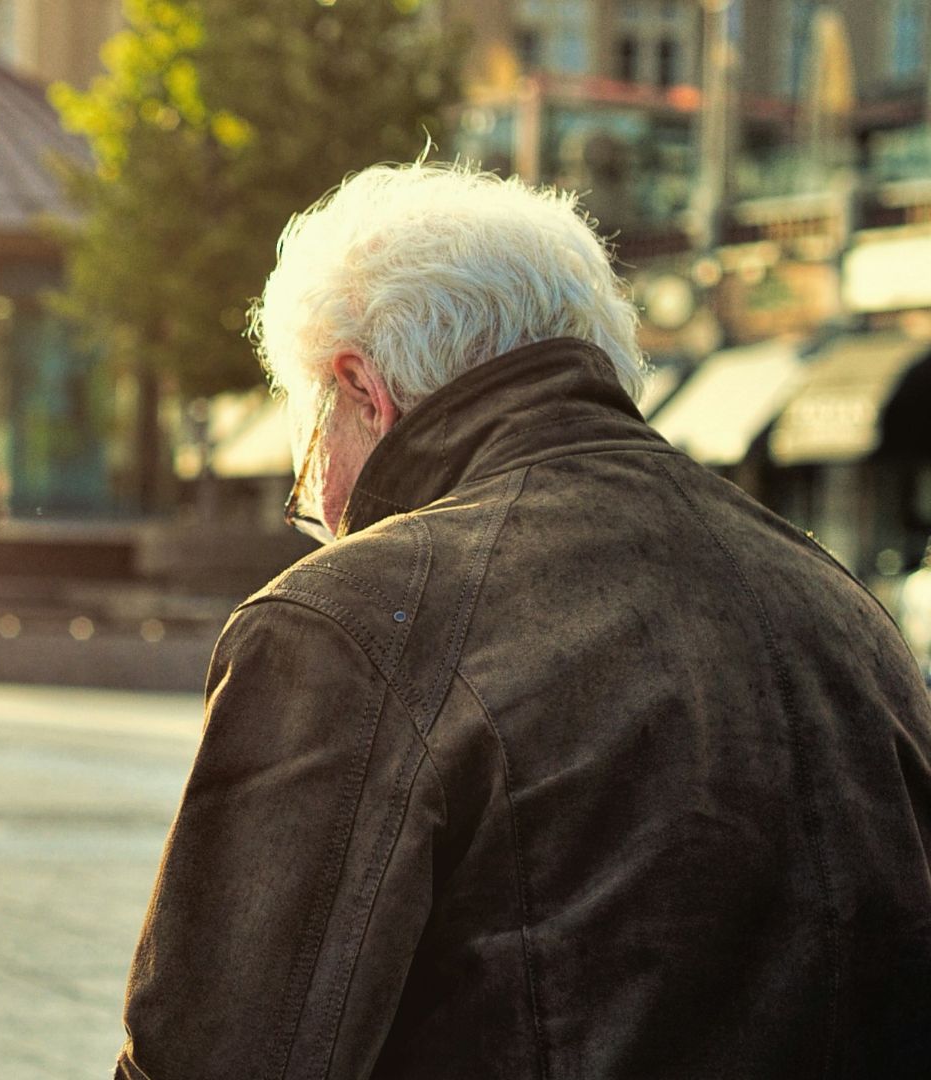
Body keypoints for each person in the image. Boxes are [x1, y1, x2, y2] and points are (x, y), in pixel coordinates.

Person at [117, 162, 931, 1078]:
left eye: (309, 460)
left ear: (361, 389)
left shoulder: (349, 619)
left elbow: (216, 1058)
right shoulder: (842, 607)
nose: (323, 510)